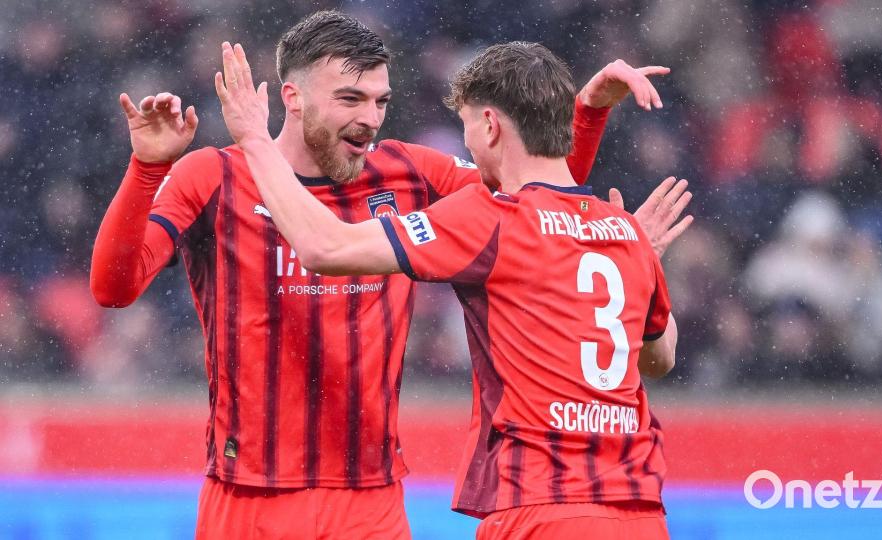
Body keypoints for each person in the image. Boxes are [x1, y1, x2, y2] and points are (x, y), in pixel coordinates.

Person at [90, 10, 687, 540]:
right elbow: (113, 289)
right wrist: (147, 169)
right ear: (293, 98)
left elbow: (531, 205)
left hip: (369, 498)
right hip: (245, 495)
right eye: (351, 99)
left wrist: (581, 116)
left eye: (380, 101)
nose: (371, 118)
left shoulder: (410, 173)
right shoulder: (212, 175)